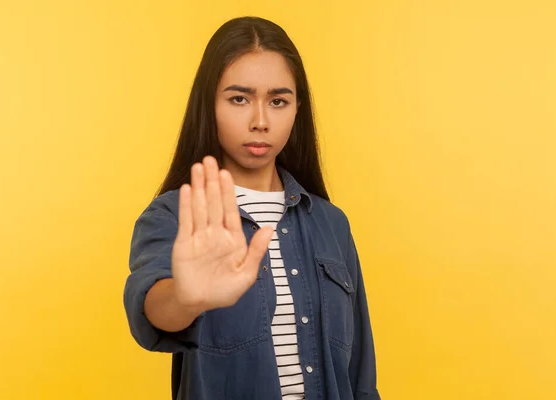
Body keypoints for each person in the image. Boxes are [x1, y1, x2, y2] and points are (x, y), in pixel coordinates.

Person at [123, 16, 380, 400]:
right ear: (208, 104)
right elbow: (151, 310)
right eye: (239, 99)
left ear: (297, 110)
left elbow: (361, 376)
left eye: (278, 101)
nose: (260, 121)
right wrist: (185, 298)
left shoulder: (332, 224)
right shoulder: (174, 215)